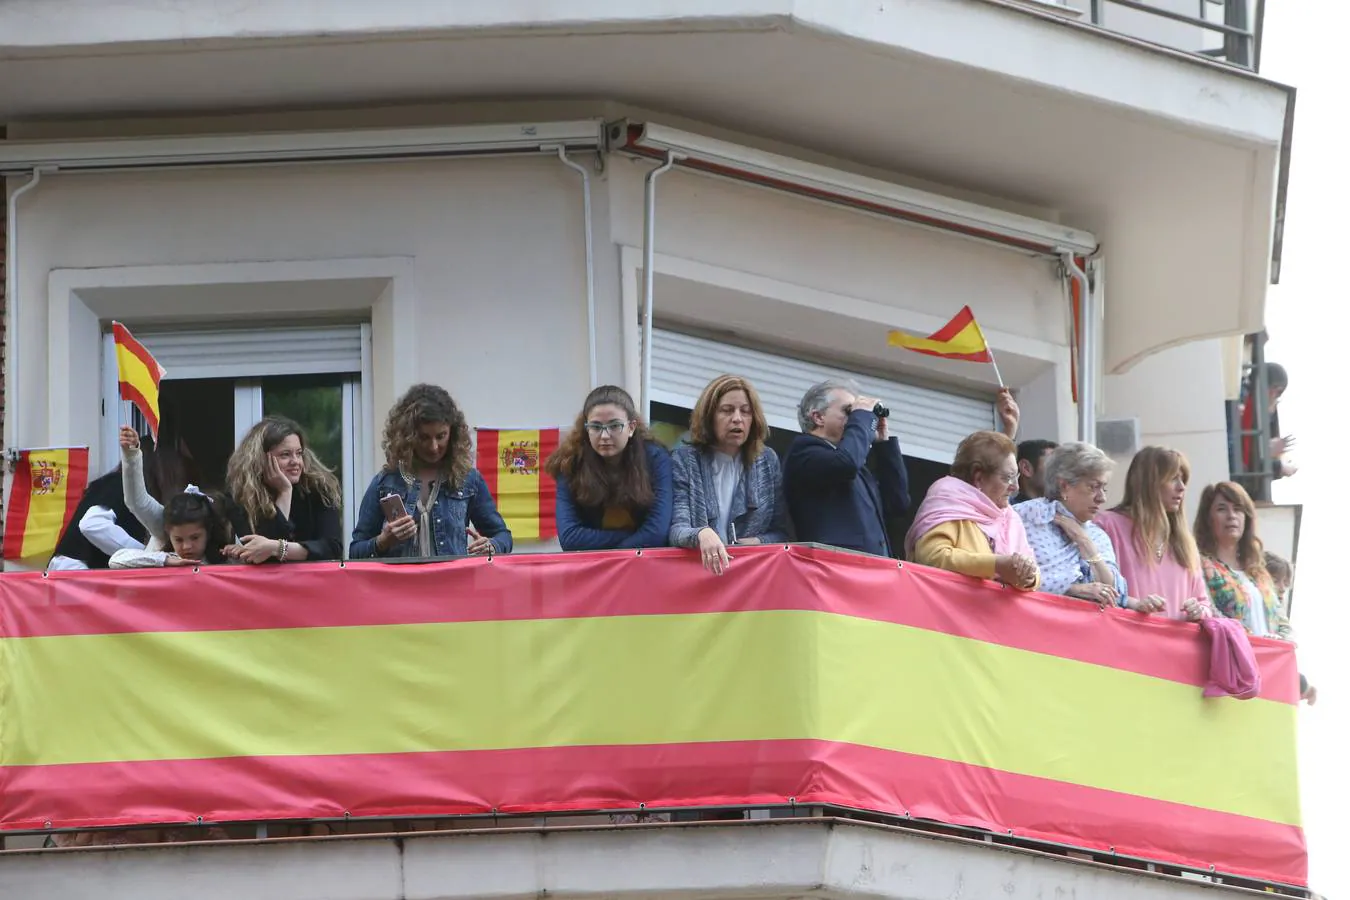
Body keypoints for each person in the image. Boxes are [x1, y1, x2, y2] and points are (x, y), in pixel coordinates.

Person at [350, 383, 512, 559]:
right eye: (424, 437)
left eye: (441, 436)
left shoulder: (468, 479)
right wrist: (382, 541)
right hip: (400, 586)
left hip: (454, 584)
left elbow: (503, 537)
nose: (434, 447)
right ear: (408, 436)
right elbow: (355, 551)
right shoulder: (385, 482)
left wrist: (492, 546)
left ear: (453, 433)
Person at [669, 375, 792, 575]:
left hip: (749, 579)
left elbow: (783, 533)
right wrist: (702, 534)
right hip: (696, 577)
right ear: (709, 416)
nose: (737, 418)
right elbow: (676, 529)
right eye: (727, 410)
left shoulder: (767, 461)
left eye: (745, 412)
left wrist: (758, 542)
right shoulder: (685, 459)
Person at [783, 379, 909, 557]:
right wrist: (862, 418)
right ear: (818, 417)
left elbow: (897, 503)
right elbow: (845, 464)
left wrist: (883, 445)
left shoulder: (855, 464)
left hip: (871, 571)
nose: (855, 418)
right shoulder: (804, 451)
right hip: (834, 570)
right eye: (848, 411)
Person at [905, 430, 1039, 590]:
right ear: (978, 477)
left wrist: (1028, 576)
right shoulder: (949, 501)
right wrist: (996, 565)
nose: (1015, 487)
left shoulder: (1010, 517)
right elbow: (932, 557)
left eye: (1016, 477)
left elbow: (1033, 571)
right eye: (1007, 478)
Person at [545, 385, 672, 550]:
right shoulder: (570, 463)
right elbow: (570, 537)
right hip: (593, 569)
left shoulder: (655, 458)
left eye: (614, 426)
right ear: (586, 428)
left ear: (631, 427)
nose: (604, 436)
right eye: (596, 427)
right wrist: (637, 535)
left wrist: (614, 556)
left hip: (647, 566)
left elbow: (657, 533)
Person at [1096, 447, 1211, 622]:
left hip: (1178, 647)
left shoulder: (1183, 541)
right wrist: (1133, 604)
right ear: (1149, 483)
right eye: (1173, 479)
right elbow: (1096, 593)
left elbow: (1205, 605)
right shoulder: (1106, 526)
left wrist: (1199, 611)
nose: (1181, 487)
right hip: (1125, 644)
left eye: (1183, 479)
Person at [47, 429, 189, 571]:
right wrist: (146, 554)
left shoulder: (112, 483)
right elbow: (92, 524)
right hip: (76, 570)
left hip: (75, 570)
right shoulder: (117, 484)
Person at [223, 416, 343, 564]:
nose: (296, 462)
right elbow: (265, 557)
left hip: (313, 581)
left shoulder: (319, 487)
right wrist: (285, 492)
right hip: (267, 583)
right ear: (261, 459)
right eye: (285, 455)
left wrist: (277, 547)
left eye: (299, 453)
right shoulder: (239, 494)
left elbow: (332, 548)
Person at [1194, 481, 1291, 642]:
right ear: (1208, 519)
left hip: (1270, 661)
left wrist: (1281, 640)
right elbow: (1210, 613)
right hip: (1234, 658)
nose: (1231, 515)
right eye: (1221, 509)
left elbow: (1283, 622)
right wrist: (1253, 640)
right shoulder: (1201, 566)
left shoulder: (1258, 570)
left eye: (1238, 509)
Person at [110, 487, 235, 568]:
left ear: (208, 532)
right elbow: (116, 560)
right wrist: (165, 560)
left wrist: (240, 554)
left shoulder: (224, 561)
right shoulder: (165, 559)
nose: (187, 546)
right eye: (178, 540)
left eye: (195, 537)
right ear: (168, 535)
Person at [1265, 552, 1317, 705]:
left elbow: (1286, 631)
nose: (1282, 589)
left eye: (1285, 584)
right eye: (1275, 581)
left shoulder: (1279, 615)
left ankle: (1305, 688)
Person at [1012, 439, 1057, 505]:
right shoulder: (1008, 512)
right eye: (1053, 463)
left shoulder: (1065, 509)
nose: (1061, 471)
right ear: (1026, 468)